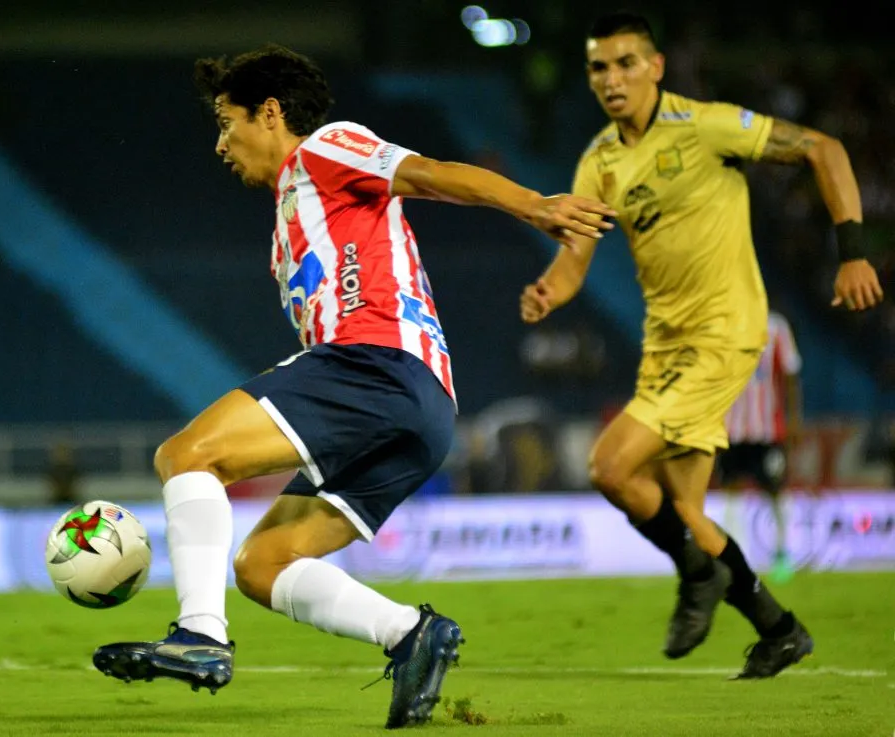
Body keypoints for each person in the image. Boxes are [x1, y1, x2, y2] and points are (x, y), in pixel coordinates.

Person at [92, 44, 615, 728]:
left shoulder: (326, 150)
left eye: (228, 122)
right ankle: (411, 634)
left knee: (186, 456)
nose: (221, 143)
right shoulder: (288, 226)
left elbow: (428, 174)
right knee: (263, 563)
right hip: (420, 409)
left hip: (376, 364)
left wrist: (533, 206)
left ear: (271, 113)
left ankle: (200, 635)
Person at [519, 12, 883, 679]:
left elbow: (824, 149)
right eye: (599, 67)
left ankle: (696, 576)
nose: (611, 79)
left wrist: (852, 254)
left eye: (626, 62)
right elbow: (575, 260)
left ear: (655, 67)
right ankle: (779, 628)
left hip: (724, 332)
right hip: (665, 342)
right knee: (683, 511)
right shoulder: (599, 159)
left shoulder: (708, 125)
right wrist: (548, 289)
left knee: (610, 465)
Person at [719, 309, 802, 583]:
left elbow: (790, 376)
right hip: (731, 428)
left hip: (767, 430)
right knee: (732, 489)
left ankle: (781, 555)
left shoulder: (777, 327)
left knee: (775, 489)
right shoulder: (720, 322)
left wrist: (794, 421)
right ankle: (735, 559)